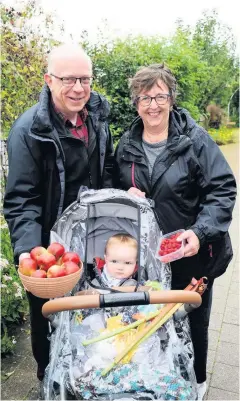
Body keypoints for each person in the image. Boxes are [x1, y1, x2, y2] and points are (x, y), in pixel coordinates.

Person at [113, 63, 237, 400]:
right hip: (146, 256)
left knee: (193, 318)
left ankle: (197, 380)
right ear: (135, 102)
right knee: (152, 317)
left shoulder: (194, 140)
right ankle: (161, 374)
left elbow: (222, 189)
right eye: (144, 97)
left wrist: (199, 233)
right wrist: (125, 196)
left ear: (171, 98)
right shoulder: (126, 143)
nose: (152, 105)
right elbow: (112, 187)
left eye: (159, 96)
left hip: (190, 252)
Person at [3, 44, 114, 381]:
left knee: (91, 311)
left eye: (85, 79)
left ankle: (87, 375)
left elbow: (105, 168)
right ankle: (49, 376)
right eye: (69, 79)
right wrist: (27, 253)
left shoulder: (97, 116)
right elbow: (22, 199)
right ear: (48, 79)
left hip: (92, 238)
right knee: (49, 319)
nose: (78, 88)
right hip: (51, 247)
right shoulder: (28, 131)